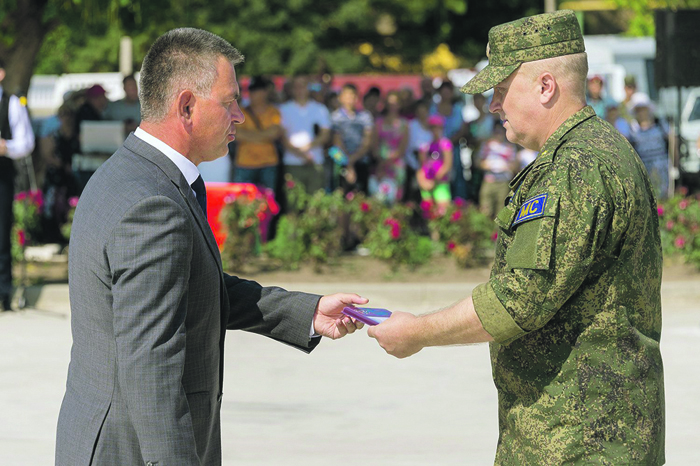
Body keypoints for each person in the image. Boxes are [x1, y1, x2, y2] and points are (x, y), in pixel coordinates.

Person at [56, 28, 367, 465]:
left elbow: (190, 286)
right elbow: (152, 368)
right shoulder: (151, 203)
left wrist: (306, 312)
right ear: (186, 106)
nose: (240, 115)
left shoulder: (135, 174)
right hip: (130, 449)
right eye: (229, 102)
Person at [368, 10, 664, 465]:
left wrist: (417, 332)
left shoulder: (575, 168)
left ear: (546, 86)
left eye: (501, 91)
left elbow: (516, 302)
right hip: (592, 431)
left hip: (578, 440)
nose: (492, 106)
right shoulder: (601, 147)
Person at [0, 58, 35, 312]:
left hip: (2, 173)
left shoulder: (11, 103)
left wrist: (5, 147)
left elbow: (26, 142)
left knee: (2, 234)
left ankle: (3, 293)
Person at [280, 75, 331, 194]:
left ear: (308, 88)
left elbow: (325, 135)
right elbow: (282, 137)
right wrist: (301, 154)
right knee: (294, 203)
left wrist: (306, 149)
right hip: (292, 162)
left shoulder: (320, 109)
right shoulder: (283, 109)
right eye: (296, 87)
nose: (300, 89)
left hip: (315, 161)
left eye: (303, 86)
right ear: (292, 89)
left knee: (316, 204)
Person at [232, 76, 282, 194]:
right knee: (242, 201)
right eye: (251, 91)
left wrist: (249, 136)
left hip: (268, 163)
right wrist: (264, 136)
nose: (253, 94)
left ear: (264, 92)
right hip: (245, 163)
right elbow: (237, 134)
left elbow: (275, 133)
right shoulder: (241, 112)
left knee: (268, 202)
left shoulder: (274, 112)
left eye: (256, 91)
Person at [330, 83, 373, 194]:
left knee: (361, 196)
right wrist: (348, 164)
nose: (351, 98)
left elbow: (367, 142)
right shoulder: (335, 117)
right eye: (347, 95)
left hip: (361, 161)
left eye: (353, 95)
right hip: (341, 163)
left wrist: (353, 160)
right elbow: (337, 141)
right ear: (341, 97)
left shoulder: (365, 116)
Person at [370, 90, 408, 204]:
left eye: (395, 102)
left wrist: (388, 161)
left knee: (395, 198)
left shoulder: (404, 124)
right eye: (390, 103)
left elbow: (402, 148)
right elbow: (374, 145)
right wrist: (381, 163)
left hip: (396, 166)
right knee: (379, 198)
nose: (392, 105)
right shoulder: (379, 122)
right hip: (380, 164)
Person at [629, 99, 669, 200]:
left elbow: (672, 140)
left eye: (644, 109)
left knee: (665, 195)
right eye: (638, 110)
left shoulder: (660, 124)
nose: (642, 113)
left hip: (662, 166)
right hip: (644, 168)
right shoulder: (632, 130)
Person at [476, 123, 518, 218]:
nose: (498, 134)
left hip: (503, 181)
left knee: (501, 211)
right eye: (496, 132)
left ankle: (496, 233)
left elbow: (514, 165)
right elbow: (478, 162)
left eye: (500, 132)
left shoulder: (509, 147)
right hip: (489, 180)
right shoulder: (486, 145)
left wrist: (506, 167)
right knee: (485, 209)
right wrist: (486, 165)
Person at [416, 114, 453, 210]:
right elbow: (422, 166)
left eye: (438, 127)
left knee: (443, 209)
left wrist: (435, 181)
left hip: (440, 183)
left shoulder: (445, 144)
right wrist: (423, 181)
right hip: (427, 183)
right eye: (432, 128)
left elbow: (447, 165)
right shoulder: (426, 145)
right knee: (428, 210)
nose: (435, 130)